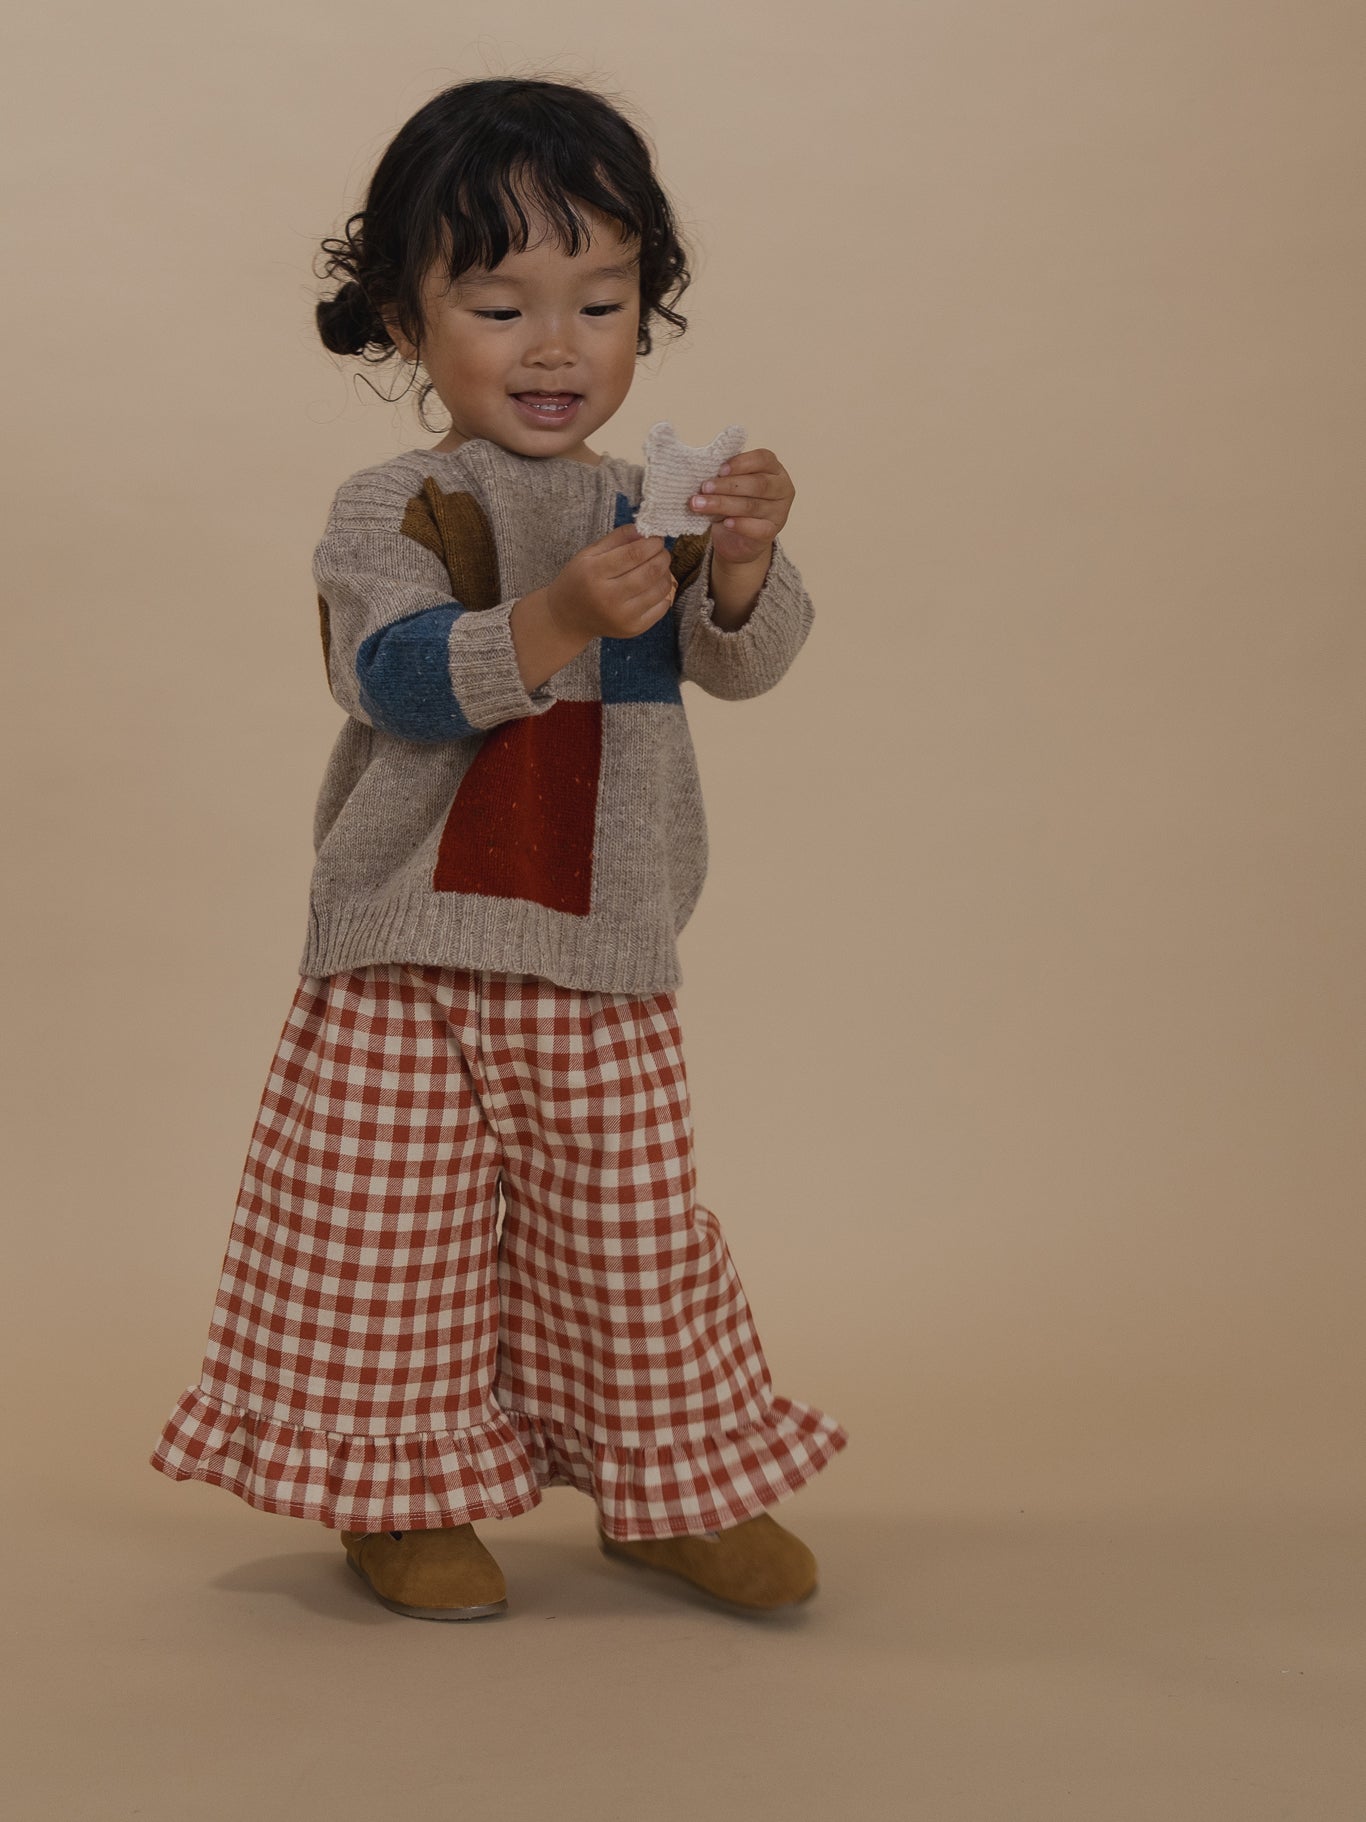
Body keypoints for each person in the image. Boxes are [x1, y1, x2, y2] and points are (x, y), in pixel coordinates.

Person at [149, 75, 848, 1621]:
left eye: (598, 301)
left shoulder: (647, 496)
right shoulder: (400, 500)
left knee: (628, 1232)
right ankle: (394, 1494)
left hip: (601, 940)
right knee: (383, 1237)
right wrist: (551, 616)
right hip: (408, 941)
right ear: (407, 323)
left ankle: (665, 1486)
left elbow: (743, 662)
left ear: (642, 315)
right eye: (498, 301)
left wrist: (738, 557)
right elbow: (388, 678)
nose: (553, 344)